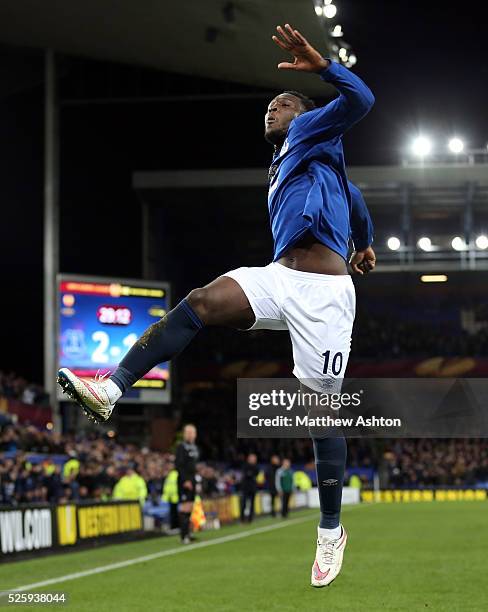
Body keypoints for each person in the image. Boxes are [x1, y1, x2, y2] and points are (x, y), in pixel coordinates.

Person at [57, 23, 375, 587]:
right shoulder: (286, 164)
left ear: (304, 113)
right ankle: (111, 389)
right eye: (270, 106)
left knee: (318, 414)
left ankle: (331, 529)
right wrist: (367, 239)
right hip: (279, 278)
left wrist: (322, 67)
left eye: (281, 103)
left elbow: (362, 99)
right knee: (201, 301)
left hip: (326, 297)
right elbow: (353, 196)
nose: (271, 109)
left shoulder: (315, 131)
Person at [174, 424, 199, 544]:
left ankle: (188, 533)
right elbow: (179, 465)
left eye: (192, 432)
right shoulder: (181, 447)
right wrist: (186, 480)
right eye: (188, 432)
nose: (190, 435)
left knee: (190, 507)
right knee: (185, 507)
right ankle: (183, 536)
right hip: (185, 480)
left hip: (192, 479)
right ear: (185, 434)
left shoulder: (194, 447)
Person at [240, 453, 259, 522]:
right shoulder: (245, 466)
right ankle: (242, 519)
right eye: (252, 458)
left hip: (253, 488)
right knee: (243, 504)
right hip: (245, 488)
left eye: (255, 459)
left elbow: (256, 473)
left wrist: (250, 474)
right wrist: (250, 474)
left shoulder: (256, 466)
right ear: (249, 459)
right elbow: (247, 474)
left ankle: (250, 519)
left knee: (252, 504)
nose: (254, 460)